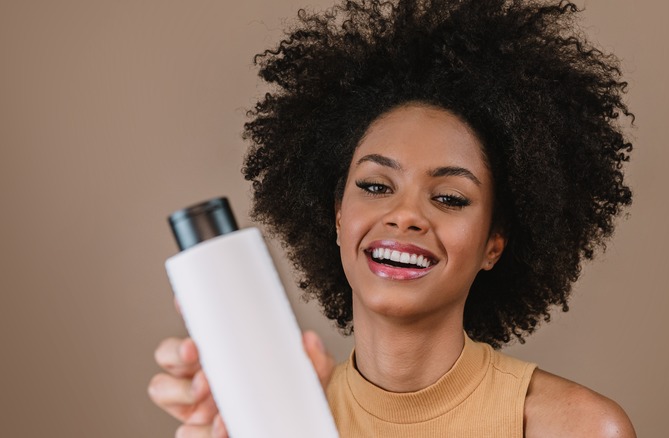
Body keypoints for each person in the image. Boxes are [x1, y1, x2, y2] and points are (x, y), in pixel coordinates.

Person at [148, 0, 637, 436]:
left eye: (449, 197)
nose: (405, 215)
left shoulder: (579, 428)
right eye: (376, 187)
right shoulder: (281, 423)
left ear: (494, 242)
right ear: (338, 216)